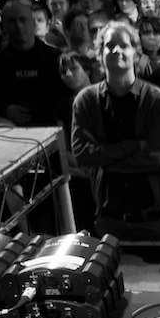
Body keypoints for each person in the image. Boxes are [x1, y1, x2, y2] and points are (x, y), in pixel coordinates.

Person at [72, 20, 160, 242]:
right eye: (109, 45)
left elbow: (157, 158)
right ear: (99, 54)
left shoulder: (156, 99)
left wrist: (105, 157)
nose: (116, 50)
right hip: (108, 220)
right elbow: (83, 155)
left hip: (152, 220)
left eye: (123, 45)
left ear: (136, 53)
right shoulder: (86, 100)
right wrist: (135, 146)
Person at [0, 0, 64, 126]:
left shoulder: (54, 59)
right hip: (8, 131)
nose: (18, 26)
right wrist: (5, 109)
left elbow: (65, 98)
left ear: (33, 23)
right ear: (4, 26)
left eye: (23, 20)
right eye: (12, 21)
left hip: (49, 127)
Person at [56, 50, 97, 232]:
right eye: (63, 72)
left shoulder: (100, 97)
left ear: (87, 70)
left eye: (74, 68)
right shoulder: (63, 106)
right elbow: (61, 147)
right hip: (79, 177)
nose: (68, 74)